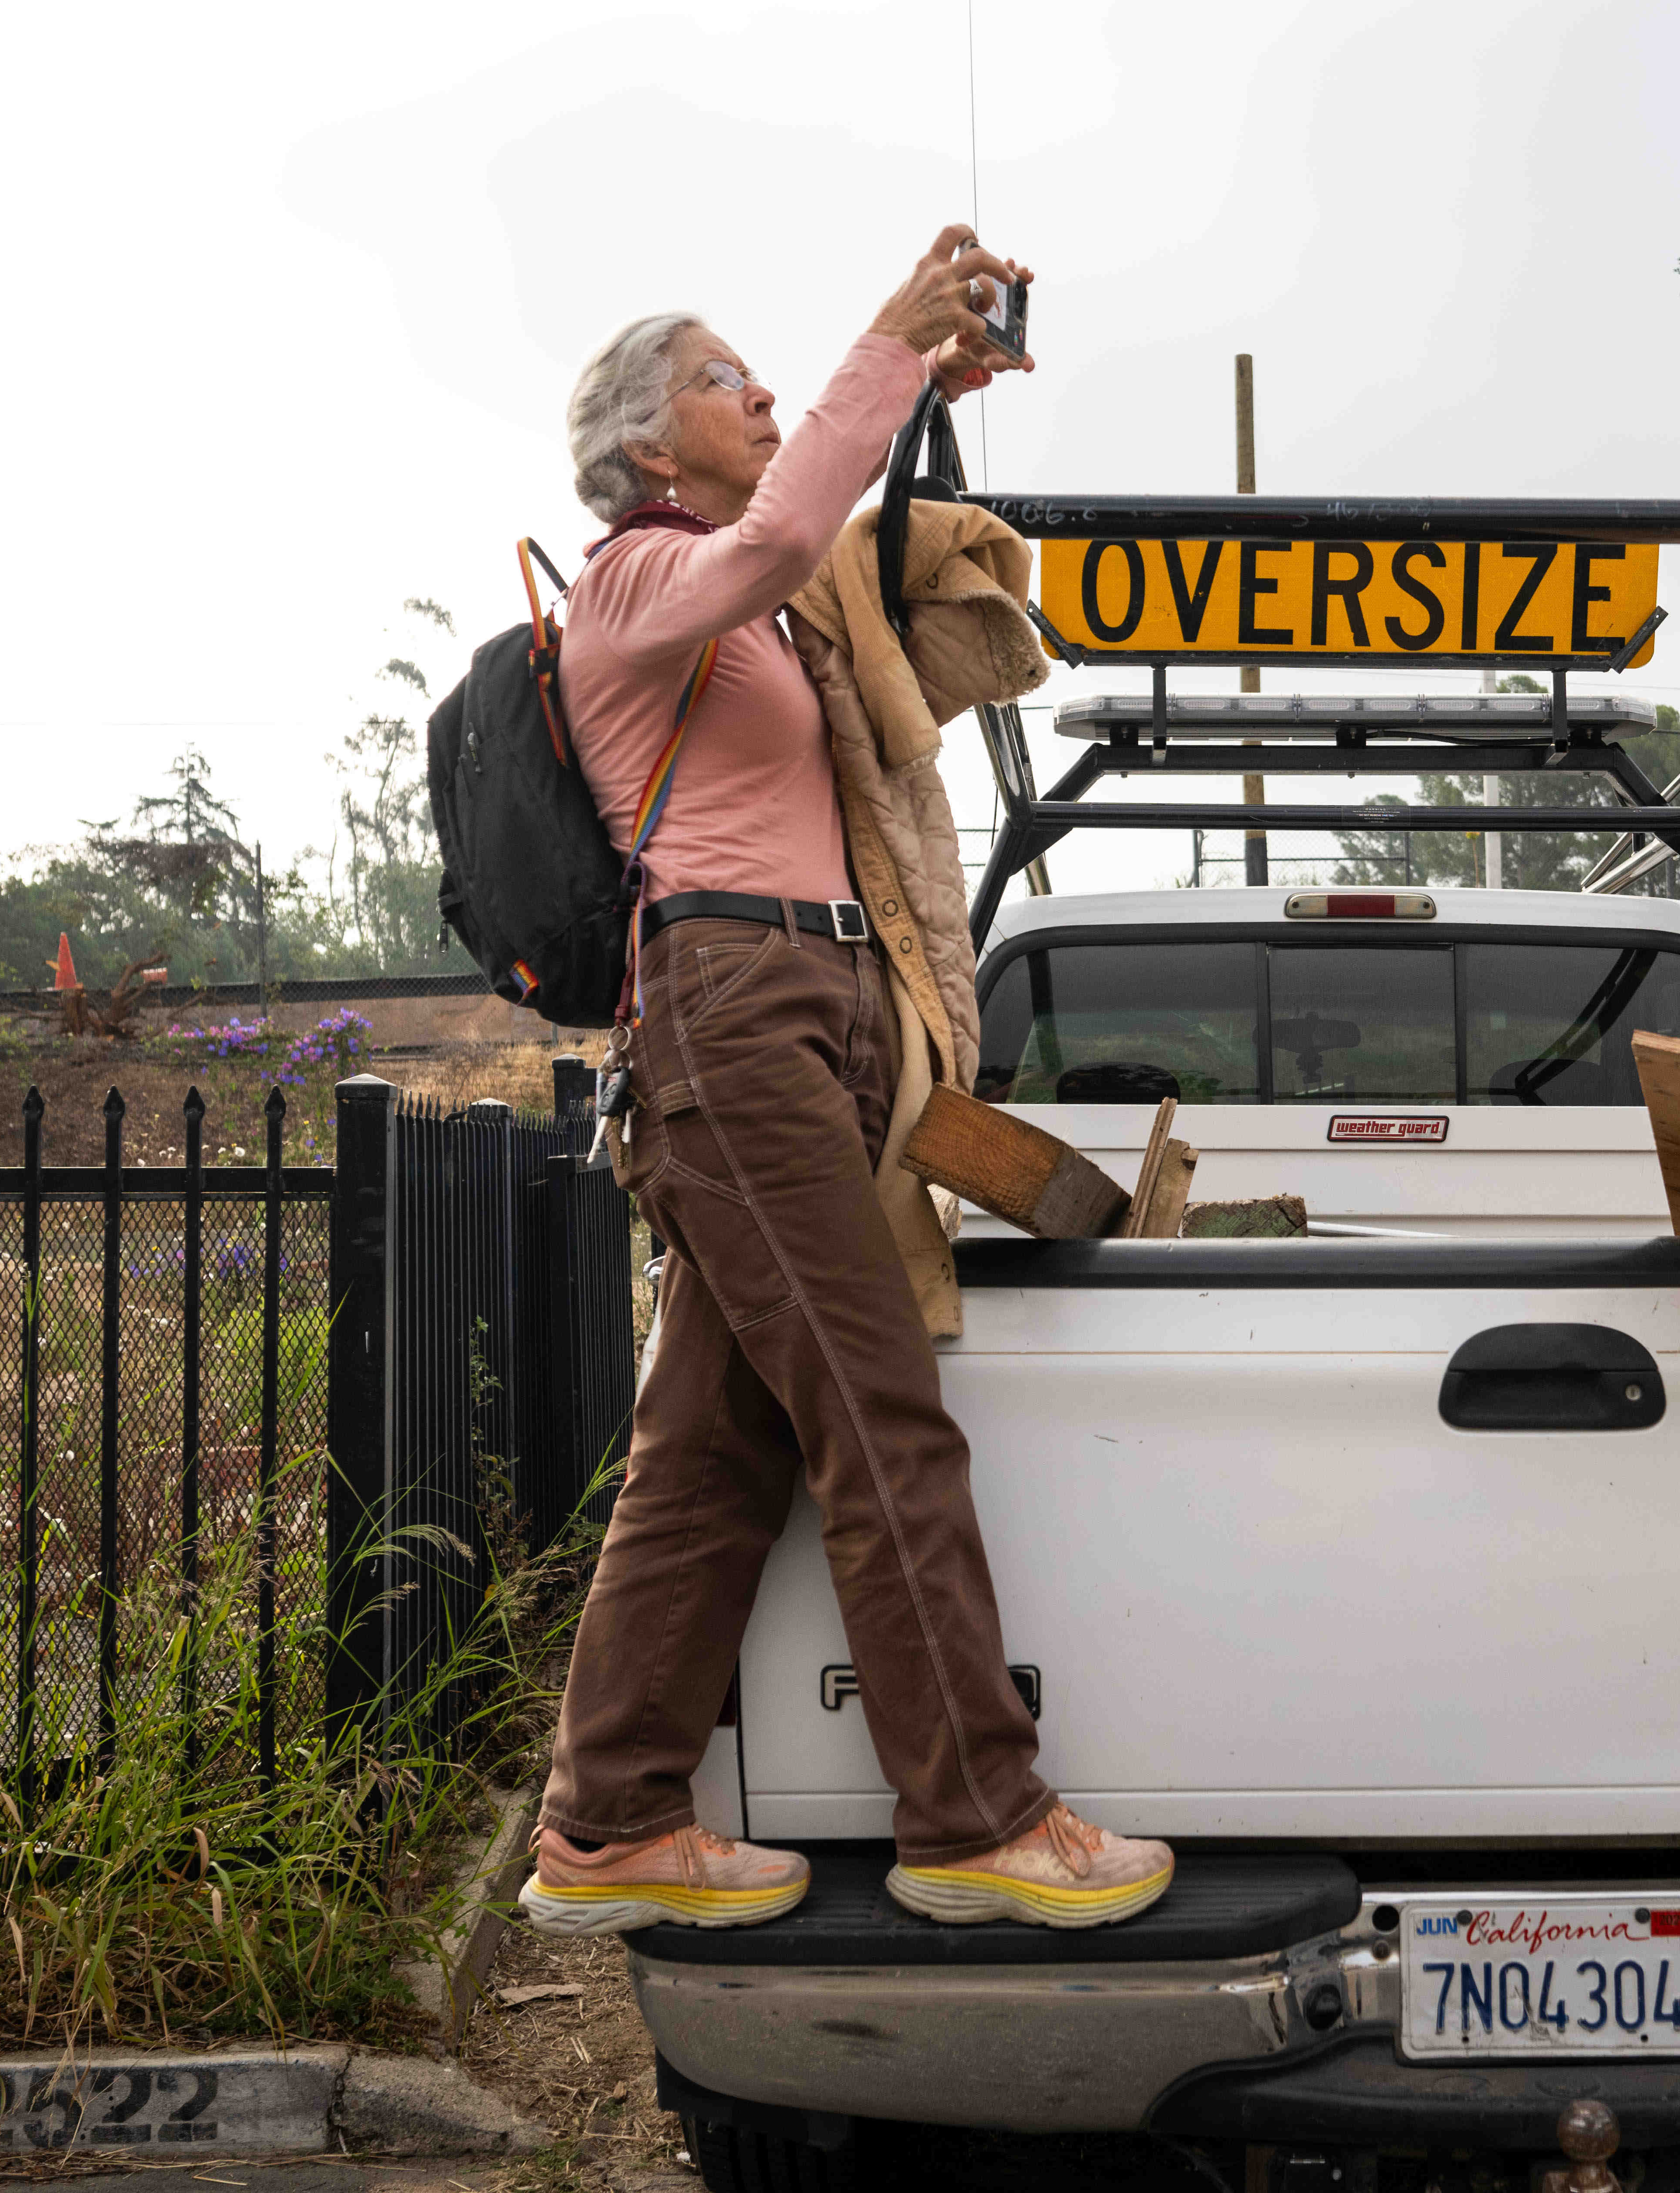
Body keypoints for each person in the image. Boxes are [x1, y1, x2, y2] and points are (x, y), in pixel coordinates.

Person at [518, 228, 1173, 1937]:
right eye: (726, 379)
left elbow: (850, 585)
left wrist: (928, 387)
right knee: (883, 1418)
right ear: (652, 447)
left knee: (712, 1445)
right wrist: (881, 346)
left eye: (766, 376)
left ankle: (608, 1816)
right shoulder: (636, 584)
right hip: (730, 1016)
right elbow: (794, 527)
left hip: (806, 1009)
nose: (760, 395)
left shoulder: (754, 587)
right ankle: (976, 1807)